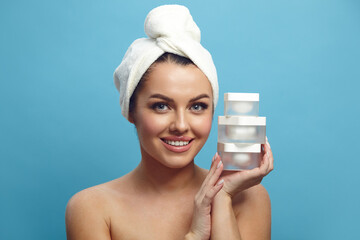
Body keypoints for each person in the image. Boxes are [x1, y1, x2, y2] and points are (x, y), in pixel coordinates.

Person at [65, 5, 274, 240]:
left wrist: (222, 197)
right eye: (161, 106)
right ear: (130, 111)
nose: (181, 125)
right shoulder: (91, 208)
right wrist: (194, 236)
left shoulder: (249, 197)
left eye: (197, 106)